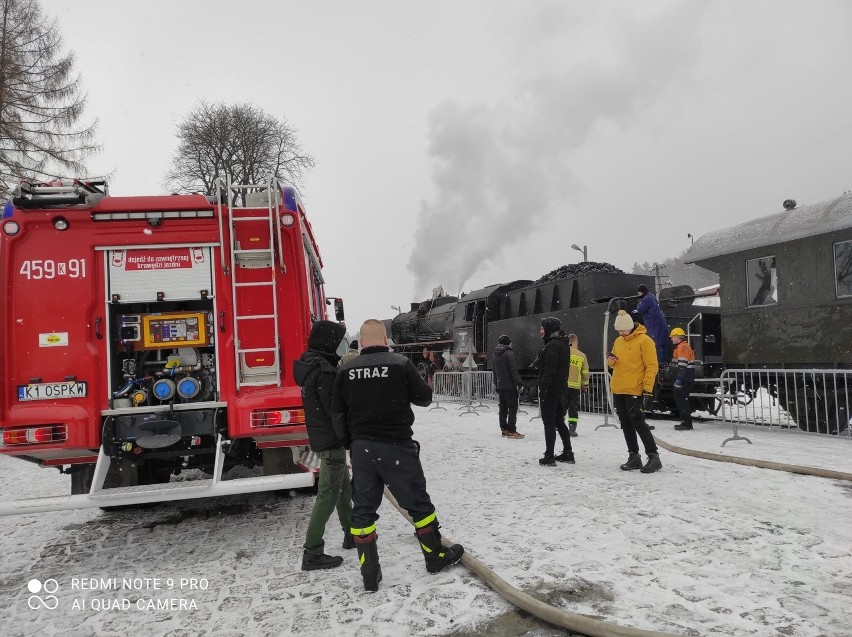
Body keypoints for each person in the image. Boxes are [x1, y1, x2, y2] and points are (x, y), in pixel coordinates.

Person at [331, 319, 464, 592]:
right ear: (385, 338)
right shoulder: (401, 363)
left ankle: (369, 572)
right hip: (396, 447)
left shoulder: (345, 370)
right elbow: (425, 398)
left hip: (362, 450)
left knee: (363, 511)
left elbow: (336, 413)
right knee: (419, 506)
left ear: (362, 342)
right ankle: (435, 556)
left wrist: (350, 444)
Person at [293, 320, 353, 571]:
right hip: (331, 438)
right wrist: (351, 434)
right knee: (328, 493)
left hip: (323, 436)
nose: (342, 346)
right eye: (339, 341)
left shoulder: (311, 365)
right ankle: (313, 552)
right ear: (329, 342)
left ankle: (352, 532)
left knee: (343, 486)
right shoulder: (325, 371)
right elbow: (335, 410)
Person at [608, 310, 662, 473]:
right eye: (618, 330)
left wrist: (647, 390)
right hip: (619, 388)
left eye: (623, 330)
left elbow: (652, 366)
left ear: (631, 327)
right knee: (626, 424)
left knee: (638, 423)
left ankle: (653, 457)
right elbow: (613, 363)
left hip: (635, 389)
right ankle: (634, 456)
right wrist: (610, 361)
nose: (621, 333)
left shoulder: (645, 341)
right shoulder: (618, 341)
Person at [536, 317, 574, 466]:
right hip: (561, 389)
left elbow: (550, 370)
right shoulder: (563, 344)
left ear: (549, 329)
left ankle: (549, 456)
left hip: (551, 390)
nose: (540, 331)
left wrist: (543, 388)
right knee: (559, 421)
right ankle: (568, 452)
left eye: (542, 328)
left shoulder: (553, 345)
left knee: (549, 422)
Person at [492, 334, 525, 439]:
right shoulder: (509, 353)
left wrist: (496, 384)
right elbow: (513, 371)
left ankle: (504, 429)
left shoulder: (495, 354)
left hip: (501, 385)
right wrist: (519, 383)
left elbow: (494, 372)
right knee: (513, 407)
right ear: (508, 343)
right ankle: (512, 431)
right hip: (509, 386)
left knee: (503, 408)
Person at [633, 284, 670, 366]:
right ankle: (664, 361)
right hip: (659, 322)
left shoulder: (646, 299)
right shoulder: (652, 296)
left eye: (639, 293)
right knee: (662, 343)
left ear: (642, 292)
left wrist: (639, 303)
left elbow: (640, 309)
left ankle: (658, 362)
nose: (638, 294)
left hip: (653, 323)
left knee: (655, 343)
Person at [669, 327, 696, 431]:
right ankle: (685, 421)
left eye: (672, 337)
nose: (671, 339)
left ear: (677, 337)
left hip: (684, 378)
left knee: (682, 399)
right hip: (685, 377)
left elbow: (682, 366)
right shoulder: (681, 347)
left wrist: (679, 379)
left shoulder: (683, 347)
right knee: (682, 399)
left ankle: (687, 423)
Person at [564, 334, 590, 437]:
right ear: (576, 342)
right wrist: (585, 386)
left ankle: (559, 426)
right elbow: (585, 373)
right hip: (574, 387)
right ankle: (572, 429)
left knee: (561, 406)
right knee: (573, 408)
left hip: (563, 385)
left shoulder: (563, 352)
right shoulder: (582, 355)